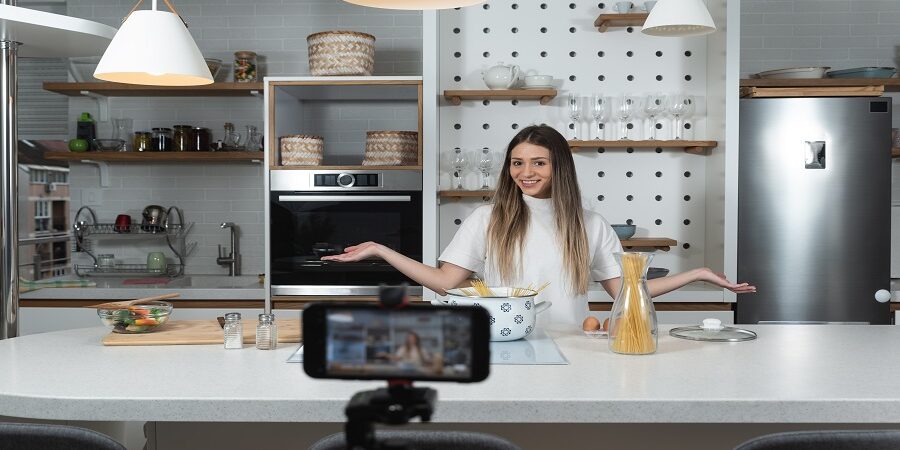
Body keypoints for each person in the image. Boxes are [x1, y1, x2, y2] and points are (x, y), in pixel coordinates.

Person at [323, 125, 756, 326]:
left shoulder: (590, 224)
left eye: (538, 163)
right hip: (503, 349)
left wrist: (698, 274)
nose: (525, 172)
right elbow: (444, 282)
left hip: (576, 350)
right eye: (517, 163)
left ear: (558, 167)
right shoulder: (489, 218)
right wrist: (381, 249)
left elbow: (625, 292)